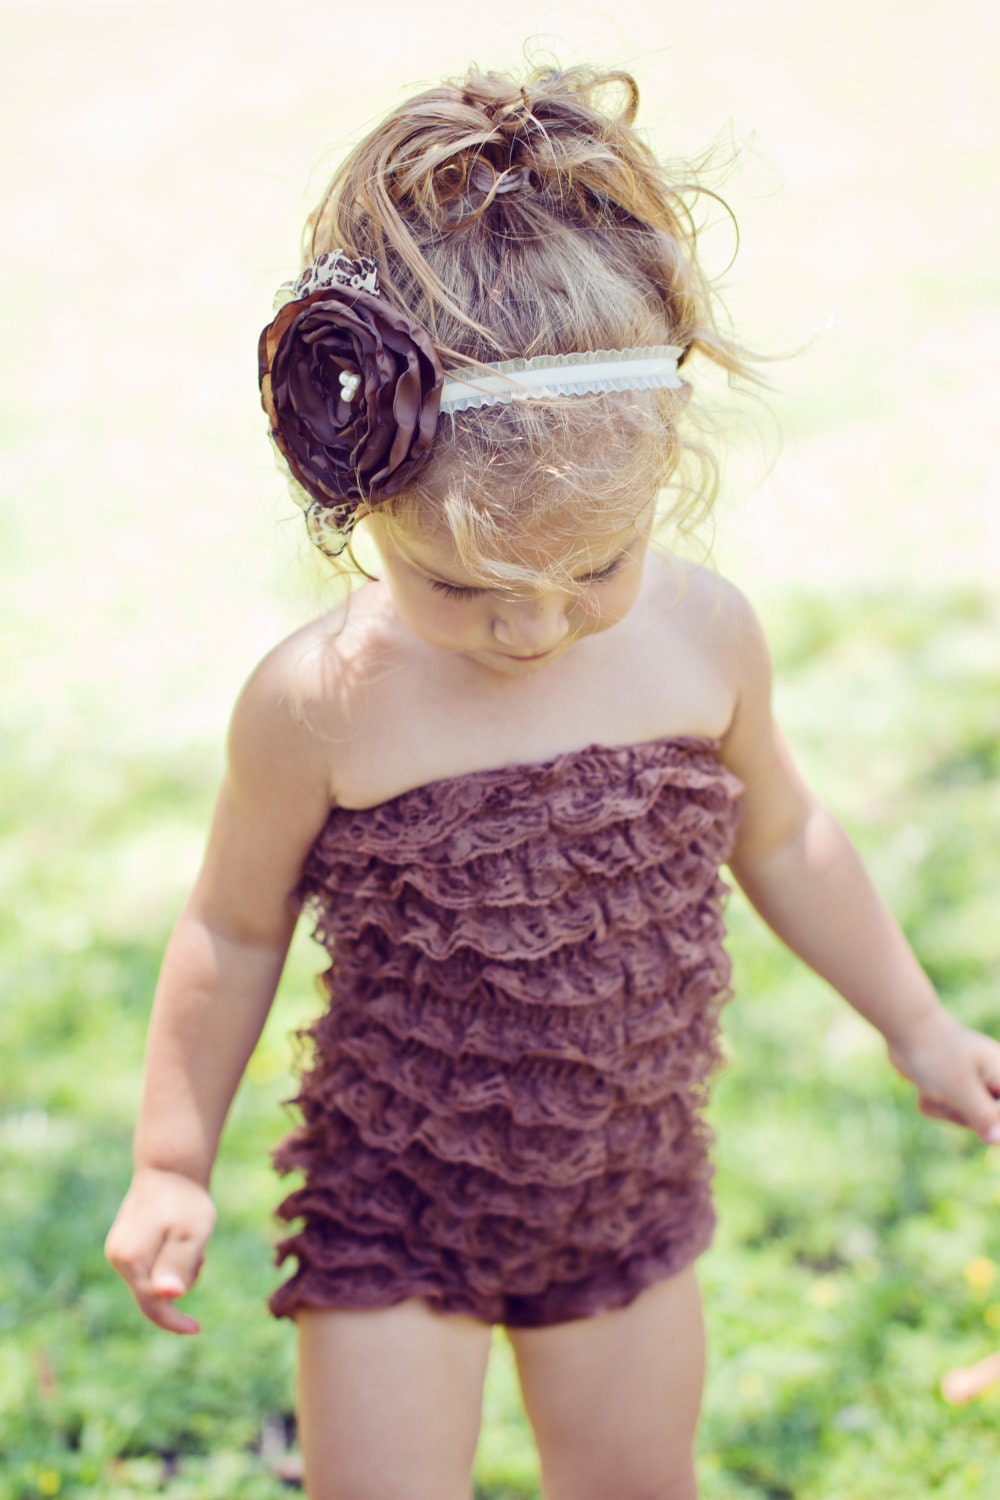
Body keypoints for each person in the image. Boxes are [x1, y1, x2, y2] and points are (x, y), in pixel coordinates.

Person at [105, 64, 1000, 1500]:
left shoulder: (704, 641)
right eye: (458, 586)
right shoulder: (316, 705)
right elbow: (231, 925)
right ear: (362, 503)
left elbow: (789, 835)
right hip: (394, 1208)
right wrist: (169, 1159)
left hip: (625, 1198)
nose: (529, 627)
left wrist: (916, 1024)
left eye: (595, 570)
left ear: (664, 469)